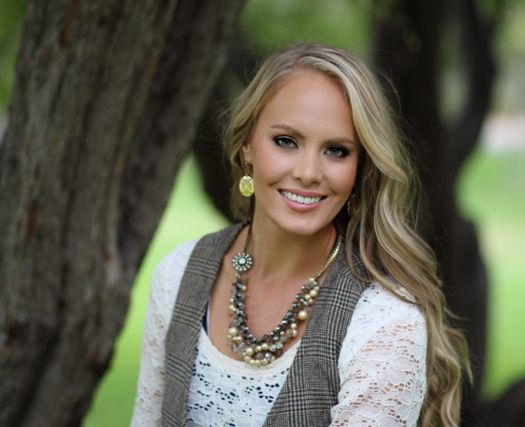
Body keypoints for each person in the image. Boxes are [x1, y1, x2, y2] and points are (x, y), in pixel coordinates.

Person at [131, 43, 469, 427]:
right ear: (247, 145)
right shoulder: (178, 275)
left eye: (336, 151)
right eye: (286, 141)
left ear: (361, 168)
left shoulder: (385, 322)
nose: (308, 173)